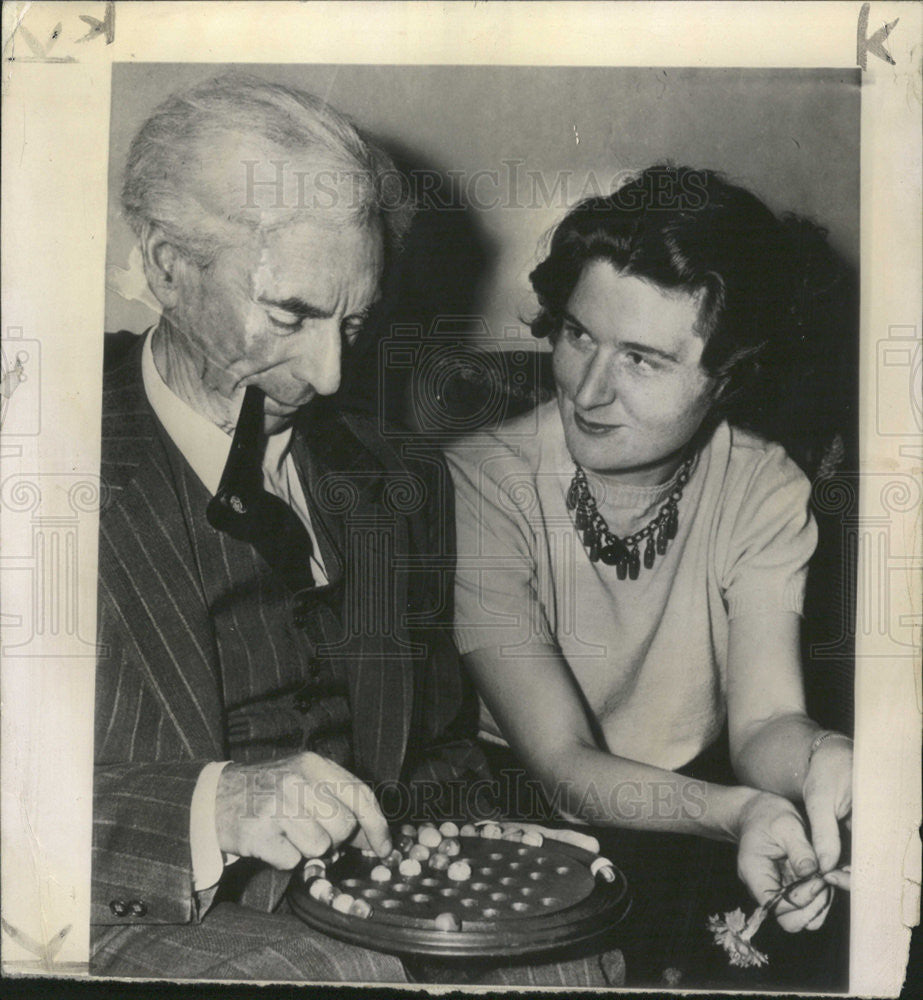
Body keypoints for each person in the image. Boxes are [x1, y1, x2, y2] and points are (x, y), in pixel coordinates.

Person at [92, 73, 625, 986]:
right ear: (163, 266)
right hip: (119, 899)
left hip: (355, 897)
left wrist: (517, 836)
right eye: (292, 315)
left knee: (577, 960)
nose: (334, 376)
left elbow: (436, 747)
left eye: (357, 321)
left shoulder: (398, 481)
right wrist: (211, 806)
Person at [446, 165, 854, 988]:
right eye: (576, 334)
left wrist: (822, 762)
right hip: (518, 811)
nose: (589, 389)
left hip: (703, 803)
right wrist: (735, 814)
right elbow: (560, 763)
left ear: (727, 378)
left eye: (641, 359)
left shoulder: (766, 487)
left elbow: (765, 721)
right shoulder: (480, 481)